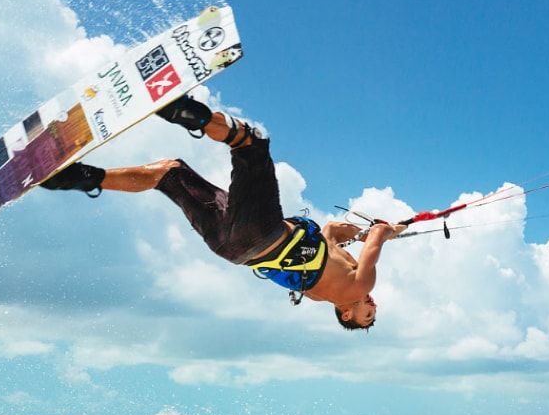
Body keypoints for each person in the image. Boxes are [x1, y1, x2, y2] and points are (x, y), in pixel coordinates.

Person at [41, 97, 403, 329]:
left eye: (367, 313)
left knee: (253, 145)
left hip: (263, 233)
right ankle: (81, 178)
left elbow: (375, 238)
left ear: (345, 313)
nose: (372, 303)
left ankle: (190, 113)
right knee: (167, 172)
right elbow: (329, 232)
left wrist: (387, 230)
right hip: (231, 249)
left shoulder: (358, 285)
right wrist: (353, 232)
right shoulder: (318, 290)